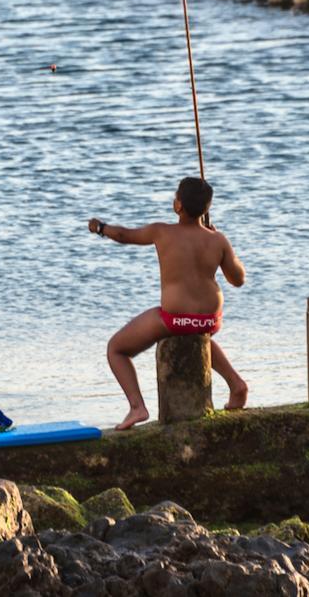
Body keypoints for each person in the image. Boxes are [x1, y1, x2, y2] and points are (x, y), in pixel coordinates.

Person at [88, 177, 248, 430]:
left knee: (116, 349)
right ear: (206, 209)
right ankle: (236, 384)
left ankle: (137, 407)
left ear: (178, 206)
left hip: (175, 320)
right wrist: (217, 239)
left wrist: (100, 228)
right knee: (199, 334)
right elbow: (238, 279)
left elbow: (123, 235)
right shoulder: (218, 240)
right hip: (209, 320)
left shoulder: (161, 231)